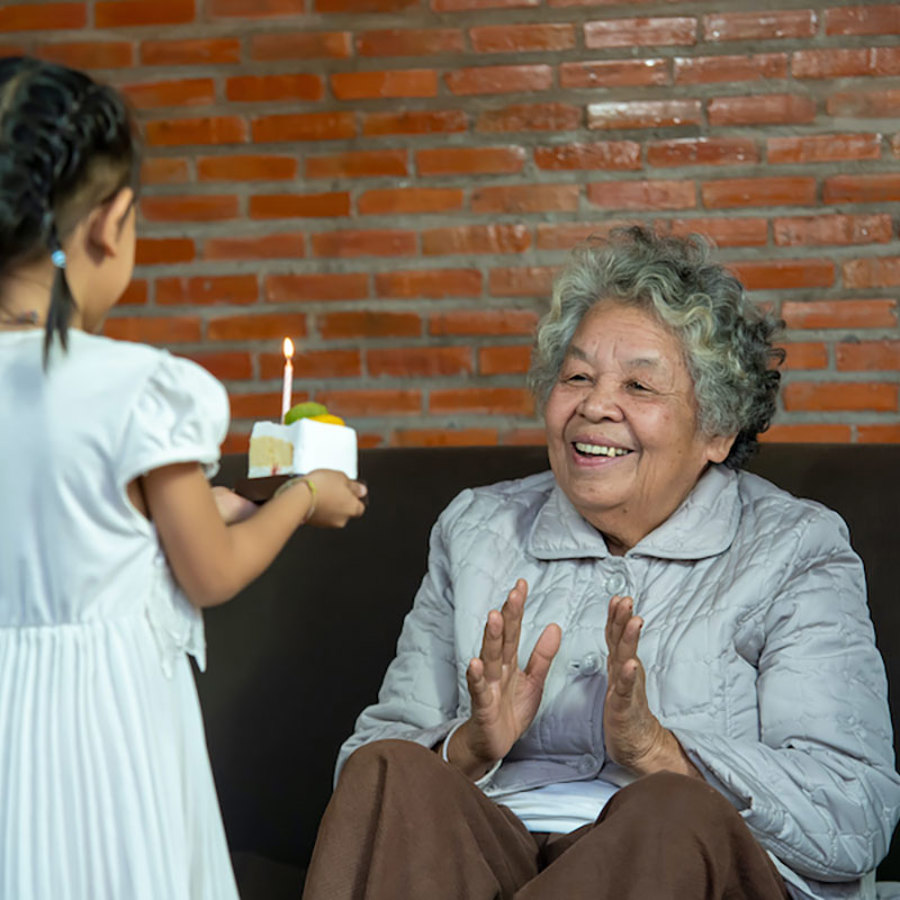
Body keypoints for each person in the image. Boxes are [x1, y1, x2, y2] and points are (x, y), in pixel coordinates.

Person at [302, 226, 900, 900]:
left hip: (672, 865)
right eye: (577, 376)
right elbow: (363, 783)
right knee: (393, 771)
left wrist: (659, 752)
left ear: (717, 429)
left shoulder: (794, 549)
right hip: (488, 855)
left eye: (640, 386)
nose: (593, 405)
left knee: (671, 811)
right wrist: (470, 743)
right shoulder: (478, 529)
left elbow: (855, 812)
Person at [0, 57, 367, 900]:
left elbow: (58, 520)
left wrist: (203, 506)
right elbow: (211, 571)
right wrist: (301, 497)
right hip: (101, 728)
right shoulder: (136, 390)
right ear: (110, 223)